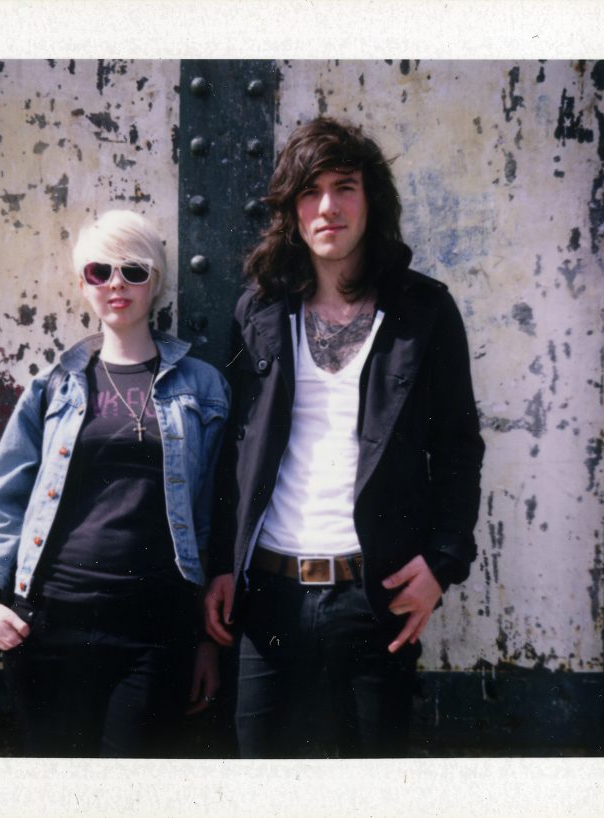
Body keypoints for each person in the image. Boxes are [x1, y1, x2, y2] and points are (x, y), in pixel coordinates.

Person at [204, 117, 485, 757]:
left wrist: (442, 564)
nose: (328, 206)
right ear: (292, 210)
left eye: (345, 187)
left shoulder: (424, 311)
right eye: (310, 191)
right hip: (267, 593)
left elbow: (459, 448)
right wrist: (222, 563)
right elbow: (237, 451)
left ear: (370, 200)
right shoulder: (258, 311)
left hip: (374, 595)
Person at [0, 210, 230, 757]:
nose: (116, 284)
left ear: (155, 281)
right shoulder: (54, 385)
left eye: (133, 271)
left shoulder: (203, 386)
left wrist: (205, 640)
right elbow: (6, 497)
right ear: (83, 283)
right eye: (99, 271)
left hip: (155, 627)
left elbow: (215, 512)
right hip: (49, 623)